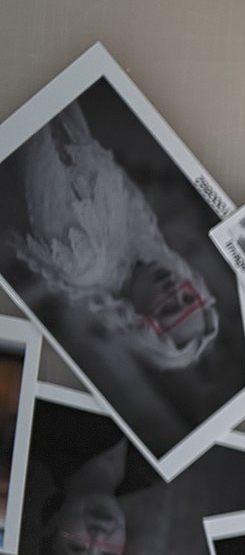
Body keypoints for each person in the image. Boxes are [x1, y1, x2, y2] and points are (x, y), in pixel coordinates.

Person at [13, 101, 221, 372]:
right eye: (188, 298)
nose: (175, 290)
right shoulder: (143, 250)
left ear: (138, 321)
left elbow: (31, 138)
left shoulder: (83, 261)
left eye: (170, 308)